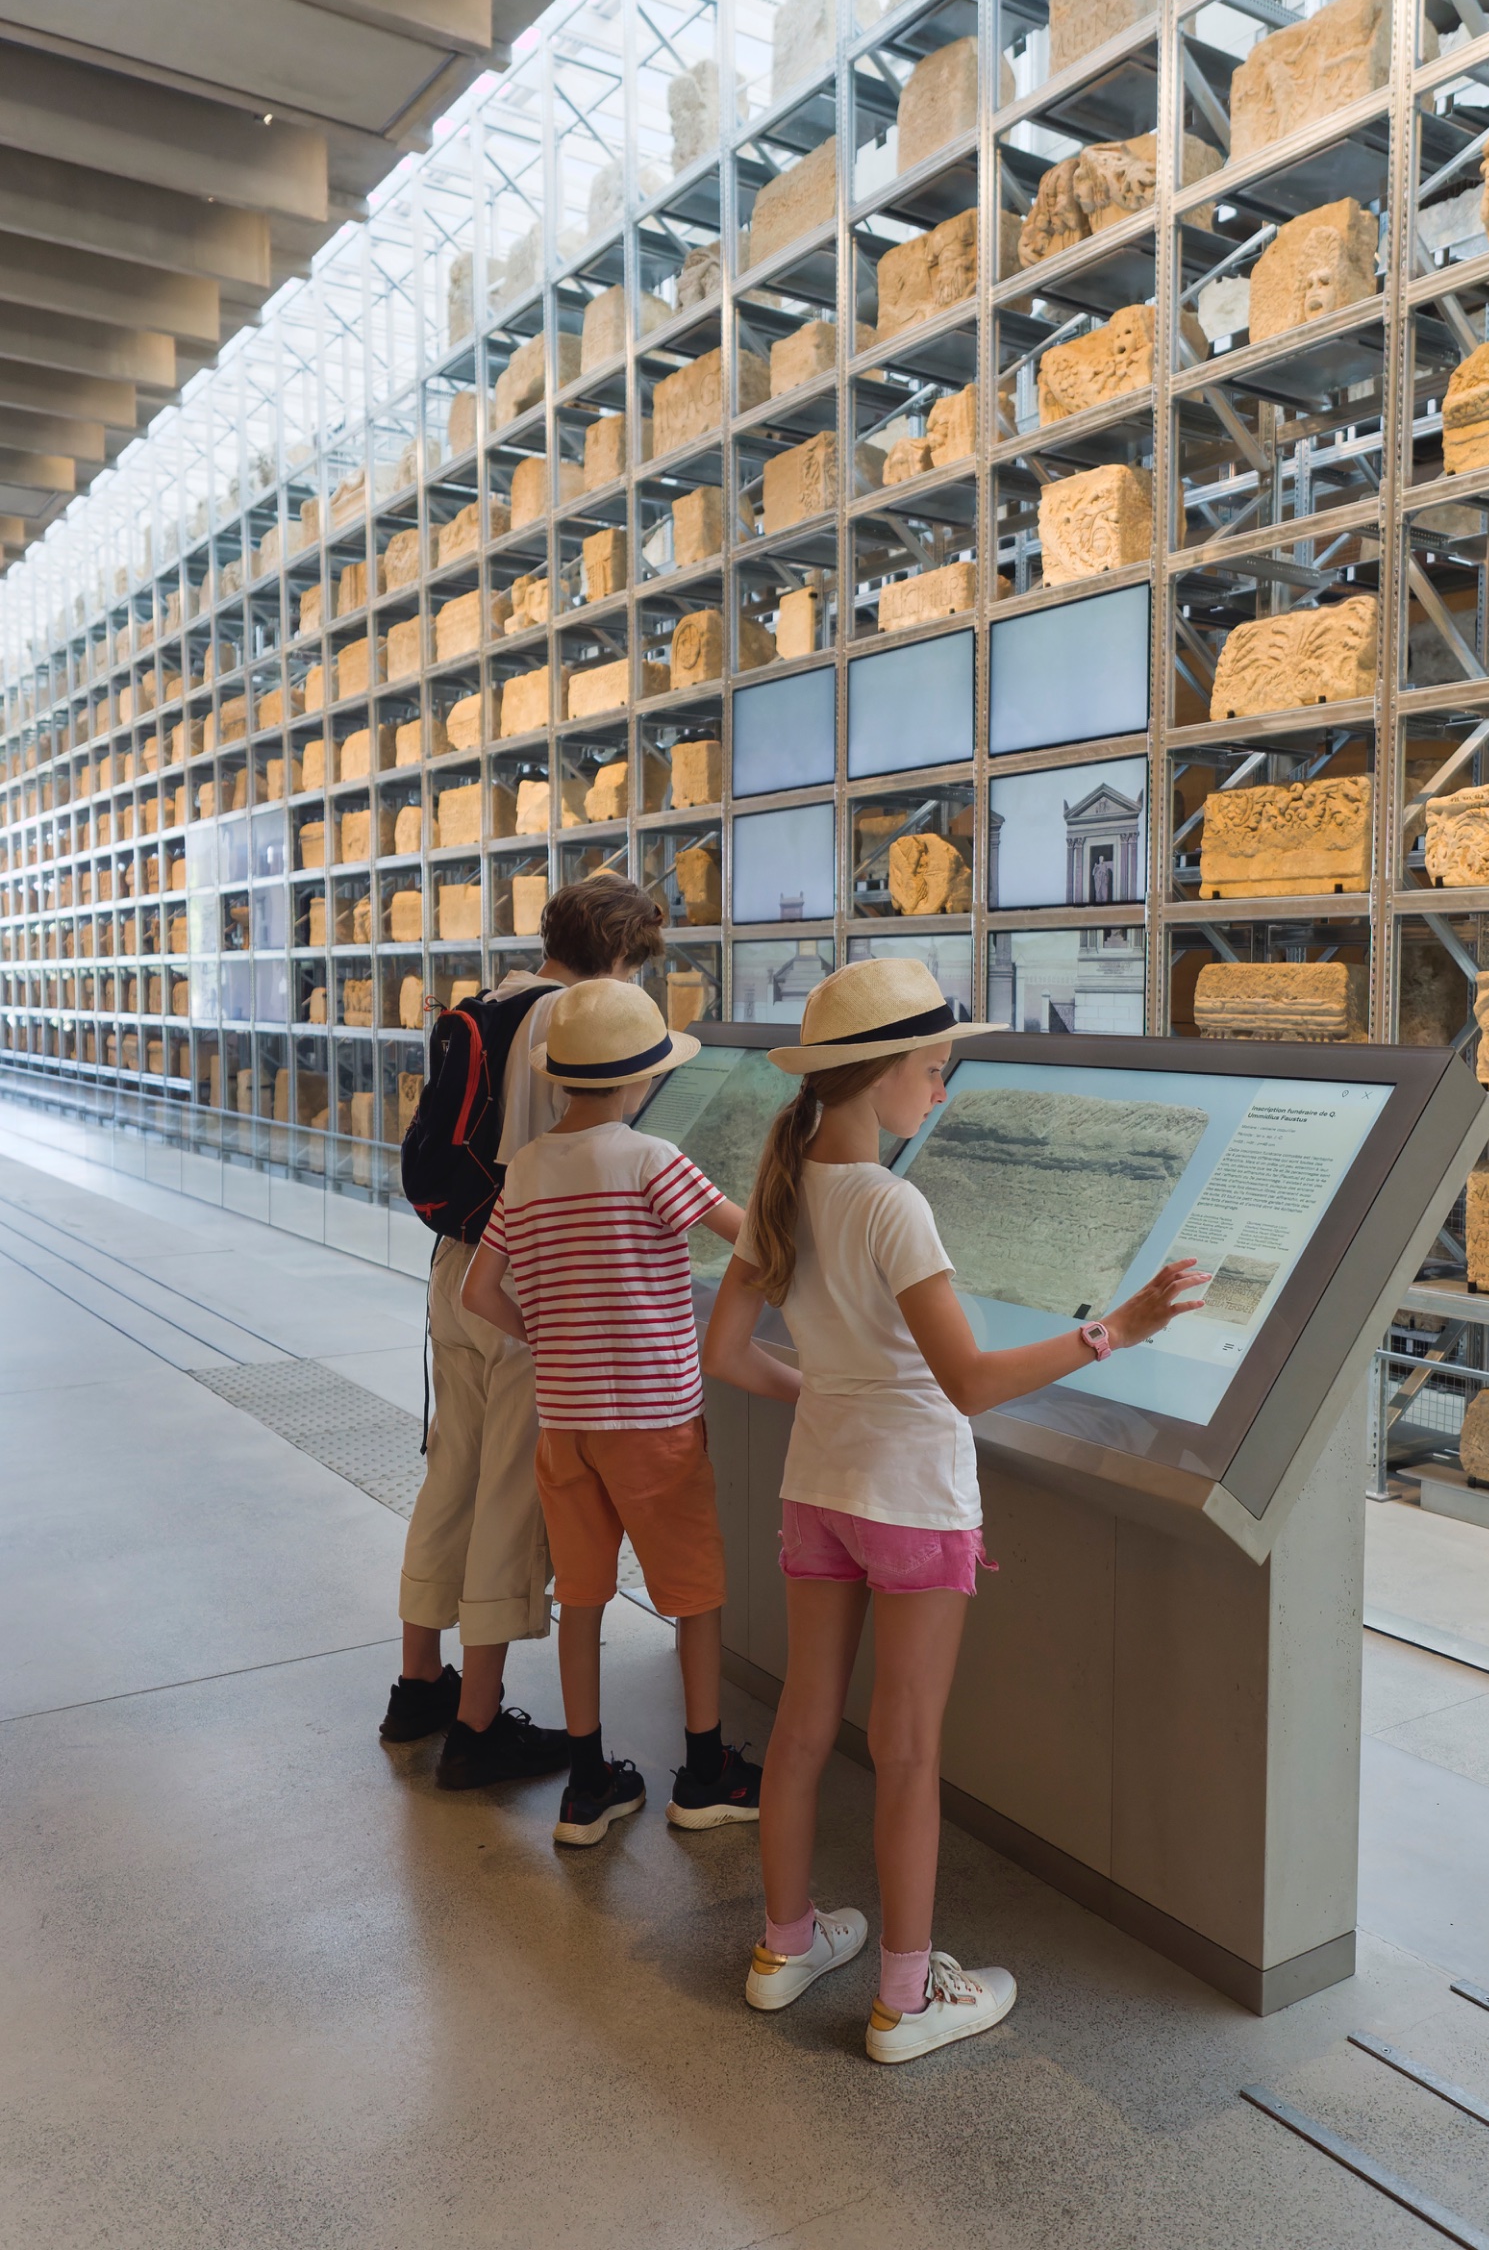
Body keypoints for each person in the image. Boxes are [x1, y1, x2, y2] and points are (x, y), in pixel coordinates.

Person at [703, 959, 1201, 2066]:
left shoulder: (784, 1187)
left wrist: (827, 1392)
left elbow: (727, 1353)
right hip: (914, 1501)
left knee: (801, 1728)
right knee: (909, 1749)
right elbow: (968, 1382)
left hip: (818, 1490)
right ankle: (904, 1999)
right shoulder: (893, 1203)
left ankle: (784, 1948)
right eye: (933, 1069)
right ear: (880, 1072)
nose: (941, 1090)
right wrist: (1113, 1331)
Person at [379, 875, 666, 1791]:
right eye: (634, 966)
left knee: (451, 1474)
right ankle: (477, 1728)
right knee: (510, 1493)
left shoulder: (492, 1003)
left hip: (458, 1269)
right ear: (616, 953)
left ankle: (419, 1684)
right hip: (522, 1288)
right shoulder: (571, 1020)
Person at [461, 977, 761, 1846]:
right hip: (656, 1421)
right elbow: (752, 1237)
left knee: (584, 1596)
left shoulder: (527, 1168)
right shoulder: (652, 1159)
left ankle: (587, 1786)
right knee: (694, 1595)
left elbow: (481, 1290)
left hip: (568, 1425)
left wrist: (551, 1339)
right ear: (641, 1079)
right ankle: (704, 1772)